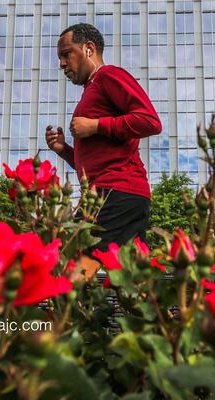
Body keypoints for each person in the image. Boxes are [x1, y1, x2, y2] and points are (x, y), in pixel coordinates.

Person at [45, 23, 161, 272]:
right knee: (133, 278)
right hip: (112, 192)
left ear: (88, 49)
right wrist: (63, 149)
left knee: (72, 264)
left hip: (115, 192)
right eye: (60, 58)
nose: (62, 64)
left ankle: (64, 309)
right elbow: (93, 161)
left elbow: (151, 121)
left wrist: (96, 126)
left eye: (66, 54)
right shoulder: (91, 89)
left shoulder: (109, 76)